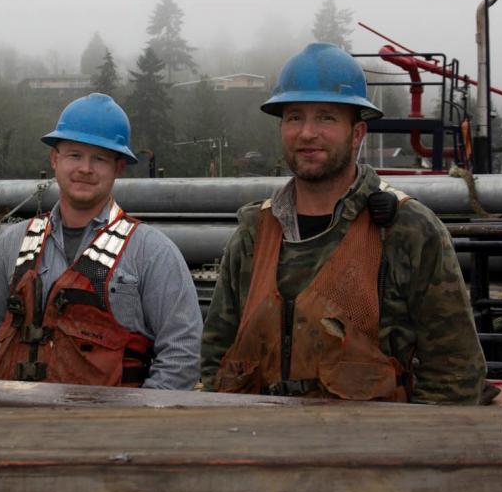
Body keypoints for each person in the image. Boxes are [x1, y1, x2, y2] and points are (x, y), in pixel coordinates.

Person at [201, 43, 485, 403]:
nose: (306, 133)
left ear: (357, 134)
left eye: (326, 117)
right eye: (294, 117)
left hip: (369, 451)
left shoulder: (407, 231)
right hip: (261, 446)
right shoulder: (254, 235)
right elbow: (214, 357)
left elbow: (455, 375)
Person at [0, 93, 202, 388]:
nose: (85, 169)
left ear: (118, 168)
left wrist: (135, 423)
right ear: (55, 159)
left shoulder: (152, 252)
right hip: (12, 425)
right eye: (74, 155)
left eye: (99, 158)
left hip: (108, 429)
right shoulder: (12, 245)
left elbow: (181, 354)